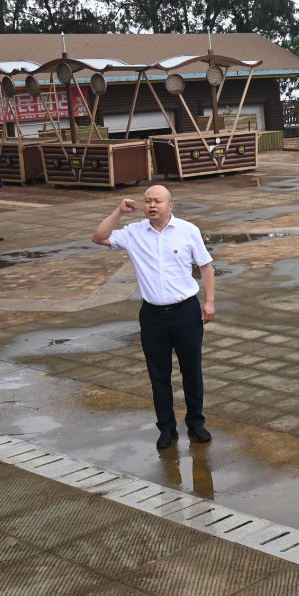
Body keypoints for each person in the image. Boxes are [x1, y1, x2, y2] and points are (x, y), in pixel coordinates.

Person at [92, 186, 215, 450]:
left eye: (157, 201)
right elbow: (99, 237)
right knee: (159, 375)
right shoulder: (134, 233)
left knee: (191, 371)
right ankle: (167, 428)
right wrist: (119, 212)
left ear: (170, 205)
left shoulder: (188, 231)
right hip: (152, 316)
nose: (152, 205)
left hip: (186, 312)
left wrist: (209, 302)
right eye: (147, 201)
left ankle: (195, 423)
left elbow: (205, 266)